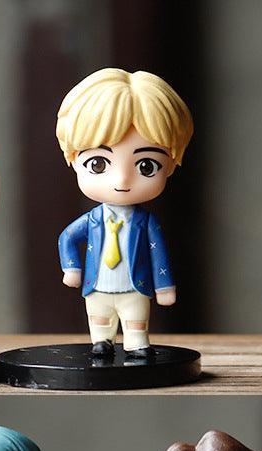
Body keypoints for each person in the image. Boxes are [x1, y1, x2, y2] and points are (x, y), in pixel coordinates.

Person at [56, 68, 193, 359]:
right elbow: (67, 238)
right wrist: (72, 268)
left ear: (170, 165)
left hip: (135, 286)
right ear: (74, 160)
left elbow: (158, 253)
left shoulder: (146, 222)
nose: (121, 180)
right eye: (98, 164)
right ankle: (101, 341)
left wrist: (164, 286)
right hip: (97, 286)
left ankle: (136, 342)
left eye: (146, 166)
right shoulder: (93, 220)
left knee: (135, 319)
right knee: (99, 318)